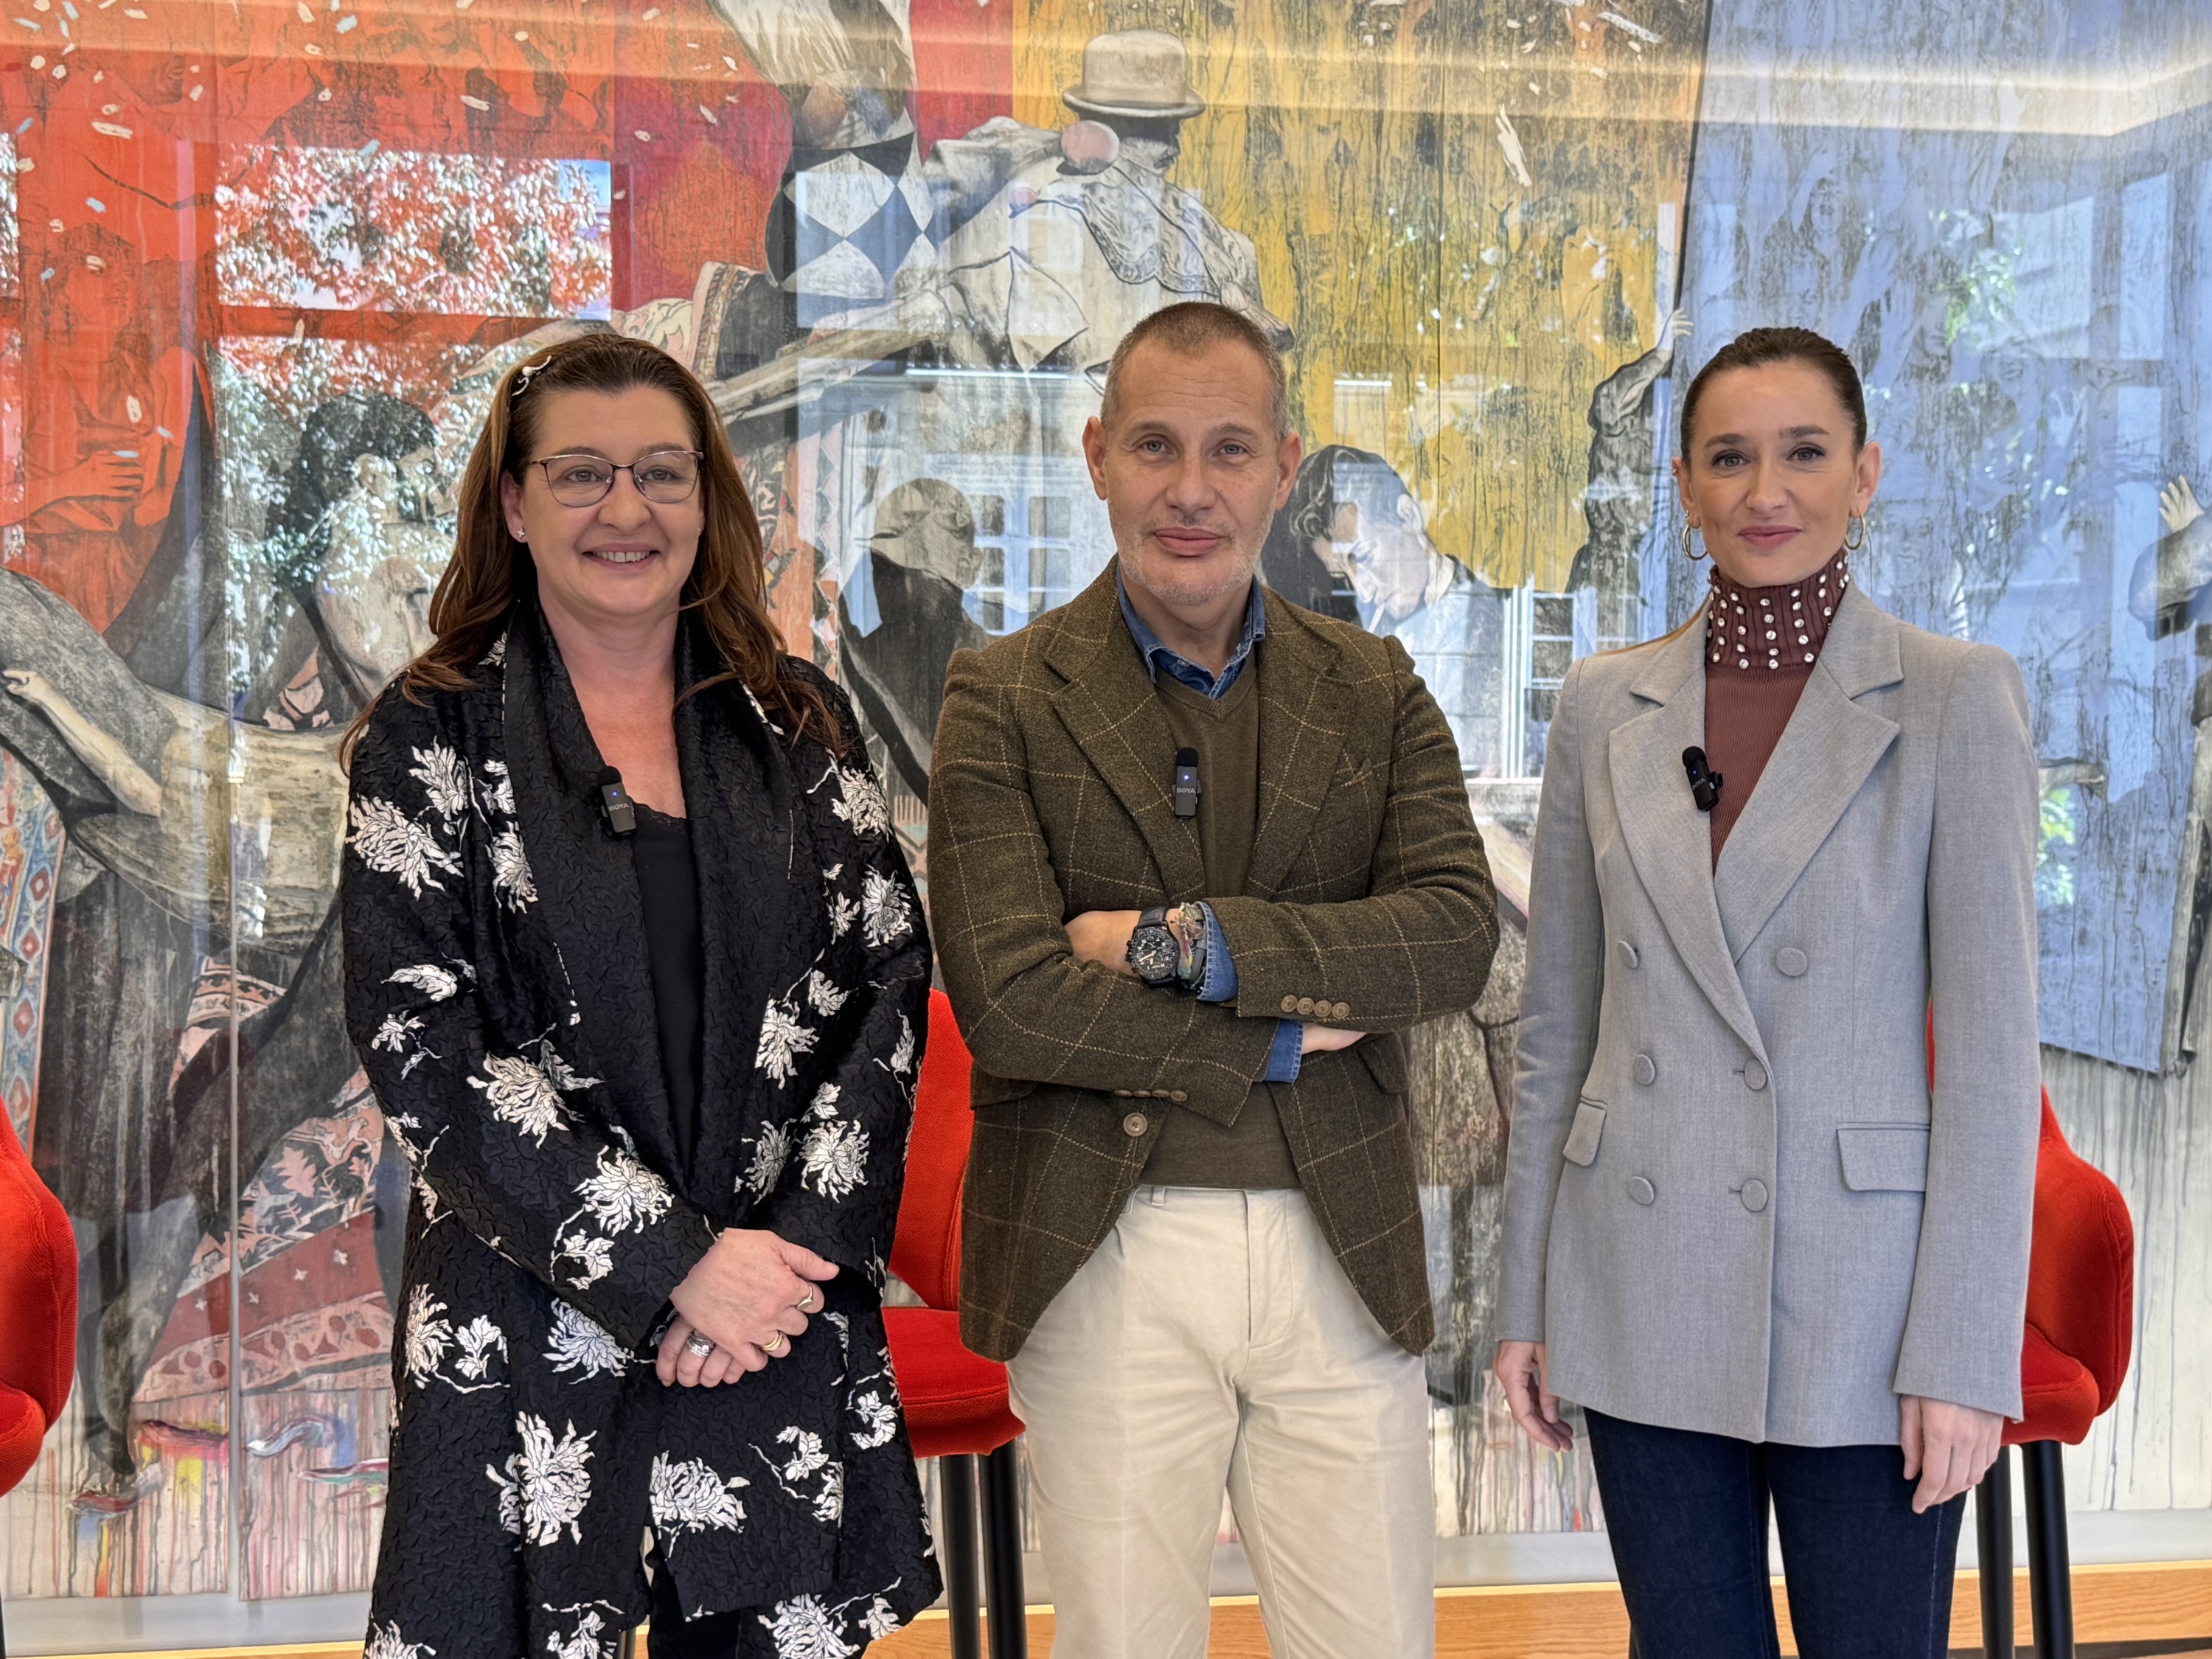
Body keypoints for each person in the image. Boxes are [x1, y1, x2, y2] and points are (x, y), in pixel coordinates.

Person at [341, 334, 937, 1658]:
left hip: (769, 1312)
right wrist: (676, 1271)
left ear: (707, 499)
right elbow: (420, 1037)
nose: (628, 508)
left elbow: (890, 976)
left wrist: (783, 1258)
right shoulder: (429, 731)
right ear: (514, 502)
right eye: (583, 473)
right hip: (526, 1311)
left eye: (663, 472)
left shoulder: (796, 721)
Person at [928, 301, 1498, 1658]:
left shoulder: (1377, 687)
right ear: (1097, 456)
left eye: (1230, 449)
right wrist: (1283, 1037)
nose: (1191, 489)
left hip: (1340, 1244)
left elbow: (1449, 933)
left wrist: (1185, 944)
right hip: (1101, 1248)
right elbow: (1010, 997)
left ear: (1283, 469)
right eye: (1156, 445)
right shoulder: (999, 696)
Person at [1495, 326, 2039, 1657]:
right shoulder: (1602, 706)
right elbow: (1557, 1030)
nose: (1767, 490)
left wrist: (1963, 1353)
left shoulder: (1954, 700)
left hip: (1869, 1304)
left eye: (1804, 452)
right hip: (1643, 1275)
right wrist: (1526, 1302)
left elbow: (1990, 1064)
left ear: (1866, 473)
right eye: (1730, 458)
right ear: (1685, 486)